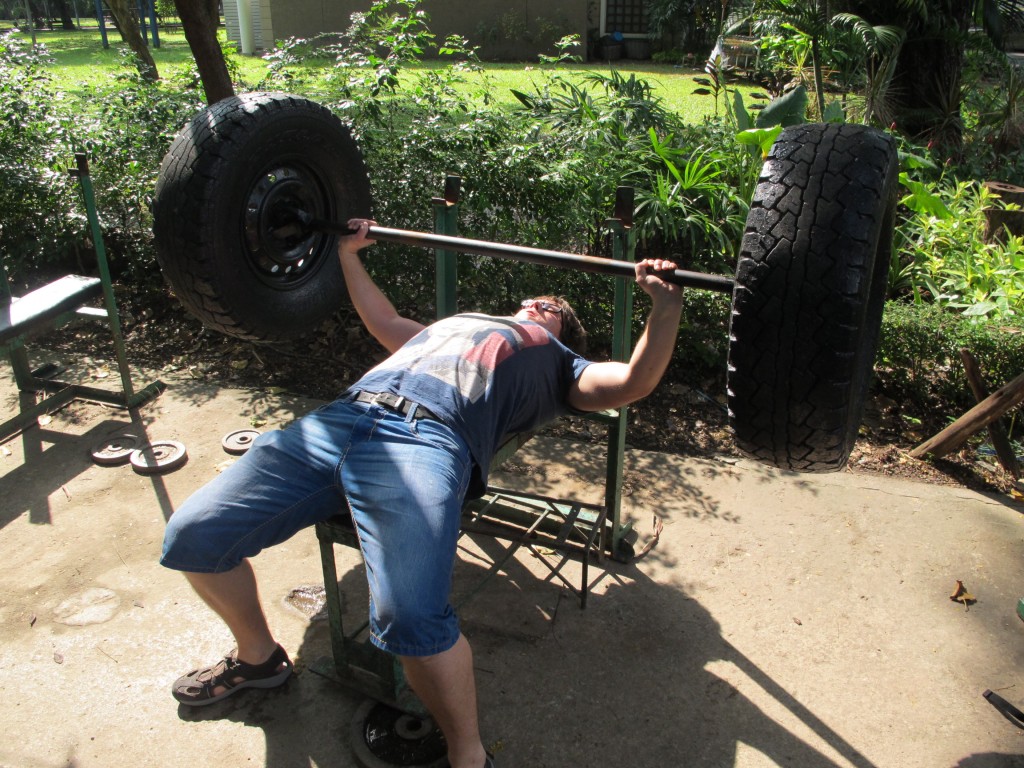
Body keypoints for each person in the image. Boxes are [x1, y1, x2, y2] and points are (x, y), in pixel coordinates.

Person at [161, 218, 684, 768]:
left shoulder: (561, 364)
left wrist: (664, 308)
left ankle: (468, 755)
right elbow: (382, 319)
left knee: (411, 619)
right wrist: (347, 253)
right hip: (339, 419)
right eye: (531, 298)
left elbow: (632, 382)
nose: (533, 302)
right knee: (193, 535)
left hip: (426, 442)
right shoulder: (451, 326)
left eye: (549, 304)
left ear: (563, 330)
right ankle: (259, 659)